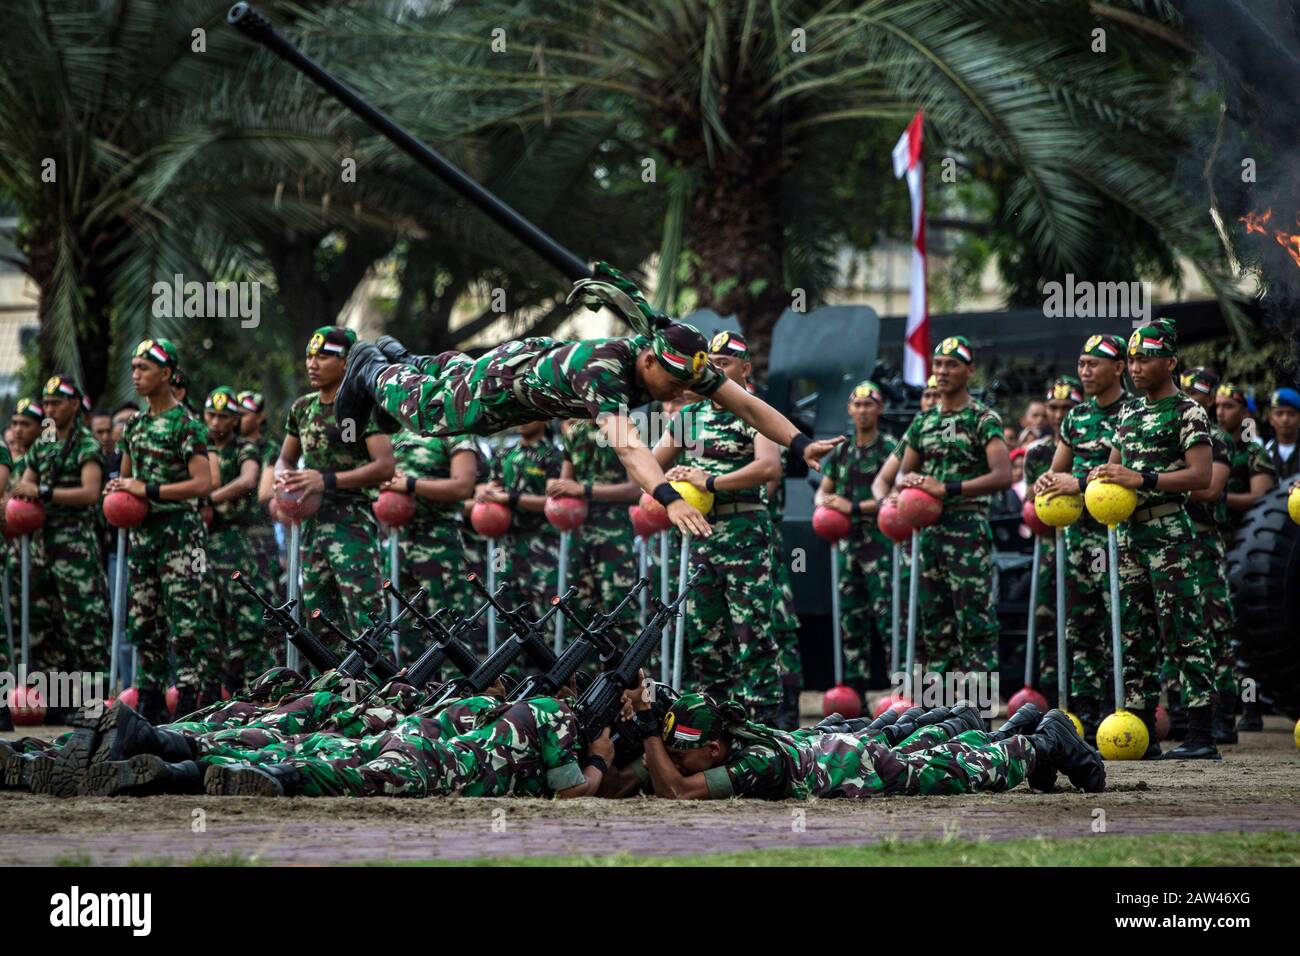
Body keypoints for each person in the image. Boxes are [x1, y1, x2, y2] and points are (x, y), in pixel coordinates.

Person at [331, 263, 842, 540]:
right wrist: (668, 499)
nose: (684, 392)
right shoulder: (607, 372)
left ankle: (402, 357)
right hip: (510, 384)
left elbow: (750, 407)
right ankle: (372, 367)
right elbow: (629, 450)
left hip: (536, 384)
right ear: (647, 364)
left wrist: (801, 443)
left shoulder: (684, 361)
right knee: (431, 414)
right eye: (673, 384)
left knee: (444, 379)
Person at [1090, 320, 1215, 759]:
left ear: (1171, 362)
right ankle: (1140, 731)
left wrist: (1141, 477)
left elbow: (1200, 477)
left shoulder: (1187, 411)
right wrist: (1100, 477)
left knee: (1183, 629)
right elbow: (1114, 466)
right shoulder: (1129, 413)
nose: (1137, 368)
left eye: (1146, 359)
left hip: (1168, 532)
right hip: (1128, 534)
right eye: (1133, 360)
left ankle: (1202, 733)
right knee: (1132, 632)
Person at [619, 691, 1104, 800]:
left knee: (971, 774)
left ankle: (1048, 738)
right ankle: (1022, 724)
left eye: (680, 752)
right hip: (841, 751)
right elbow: (648, 777)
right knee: (951, 754)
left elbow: (677, 792)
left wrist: (644, 732)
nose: (671, 758)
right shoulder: (719, 746)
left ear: (716, 751)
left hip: (861, 766)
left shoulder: (757, 762)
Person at [653, 331, 783, 721]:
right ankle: (715, 726)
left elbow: (769, 467)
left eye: (724, 363)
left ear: (745, 370)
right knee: (704, 638)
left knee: (752, 634)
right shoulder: (688, 417)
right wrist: (671, 482)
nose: (714, 369)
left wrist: (709, 482)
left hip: (743, 532)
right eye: (710, 362)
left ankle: (762, 727)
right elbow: (650, 465)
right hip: (698, 538)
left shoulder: (755, 411)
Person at [105, 339, 217, 722]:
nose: (135, 374)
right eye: (133, 367)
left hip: (180, 535)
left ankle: (188, 700)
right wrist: (117, 491)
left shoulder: (187, 424)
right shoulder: (134, 425)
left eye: (144, 368)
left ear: (166, 374)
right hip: (144, 536)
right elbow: (126, 478)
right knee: (143, 619)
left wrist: (148, 491)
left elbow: (202, 484)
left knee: (185, 620)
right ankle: (150, 700)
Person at [893, 336, 1012, 676]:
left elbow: (1002, 474)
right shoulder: (924, 422)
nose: (943, 371)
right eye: (939, 364)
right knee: (935, 629)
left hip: (967, 530)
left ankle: (980, 715)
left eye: (952, 365)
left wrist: (946, 488)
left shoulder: (983, 418)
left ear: (969, 371)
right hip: (929, 534)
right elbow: (906, 473)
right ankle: (940, 717)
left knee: (976, 625)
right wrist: (911, 484)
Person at [1034, 334, 1130, 740]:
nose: (1086, 371)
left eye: (1094, 364)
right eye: (1082, 364)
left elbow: (1122, 471)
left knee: (1126, 627)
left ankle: (1132, 710)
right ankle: (1088, 717)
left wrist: (1078, 480)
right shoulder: (1076, 418)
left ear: (1119, 368)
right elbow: (1059, 470)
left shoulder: (1134, 414)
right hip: (1079, 543)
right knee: (1081, 628)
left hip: (1123, 540)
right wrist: (1048, 481)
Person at [276, 327, 395, 635]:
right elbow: (285, 458)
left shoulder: (362, 407)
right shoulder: (302, 408)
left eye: (324, 356)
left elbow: (385, 467)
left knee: (367, 621)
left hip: (351, 524)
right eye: (309, 356)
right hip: (311, 527)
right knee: (320, 625)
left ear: (347, 362)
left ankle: (376, 683)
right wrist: (282, 480)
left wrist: (325, 481)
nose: (312, 364)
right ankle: (329, 684)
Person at [9, 376, 111, 711]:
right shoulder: (44, 443)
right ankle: (54, 698)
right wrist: (29, 490)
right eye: (47, 403)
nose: (50, 408)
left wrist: (44, 493)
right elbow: (25, 483)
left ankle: (93, 700)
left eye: (56, 403)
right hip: (42, 546)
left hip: (76, 548)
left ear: (74, 405)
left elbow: (90, 492)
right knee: (43, 622)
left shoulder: (86, 444)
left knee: (84, 624)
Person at [815, 380, 896, 705]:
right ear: (850, 409)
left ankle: (899, 693)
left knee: (890, 619)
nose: (863, 410)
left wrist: (854, 508)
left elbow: (895, 494)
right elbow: (824, 488)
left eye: (869, 403)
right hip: (848, 548)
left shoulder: (890, 448)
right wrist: (825, 502)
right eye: (857, 404)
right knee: (852, 621)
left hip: (882, 546)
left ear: (880, 409)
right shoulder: (842, 451)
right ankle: (855, 697)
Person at [1179, 367, 1239, 744]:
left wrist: (1160, 485)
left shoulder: (1216, 439)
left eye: (1199, 394)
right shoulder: (1173, 434)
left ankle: (1225, 715)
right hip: (1175, 541)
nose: (1191, 400)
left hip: (1204, 541)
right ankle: (1188, 711)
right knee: (1181, 629)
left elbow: (1210, 488)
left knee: (1215, 628)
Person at [379, 428, 478, 658]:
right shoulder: (397, 434)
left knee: (448, 631)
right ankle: (409, 692)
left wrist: (412, 485)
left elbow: (463, 487)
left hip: (438, 542)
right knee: (401, 631)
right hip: (398, 543)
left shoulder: (455, 433)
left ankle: (457, 691)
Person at [1214, 382, 1276, 733]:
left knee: (1245, 630)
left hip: (1248, 554)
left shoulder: (1254, 452)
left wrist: (1213, 496)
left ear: (1245, 412)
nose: (1222, 411)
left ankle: (1251, 710)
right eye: (1219, 405)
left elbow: (1261, 497)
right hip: (1217, 549)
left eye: (1230, 406)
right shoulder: (1209, 445)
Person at [203, 386, 270, 688]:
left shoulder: (246, 448)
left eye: (224, 417)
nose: (216, 423)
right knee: (211, 619)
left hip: (237, 542)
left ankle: (256, 688)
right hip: (206, 543)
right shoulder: (200, 447)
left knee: (247, 619)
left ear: (235, 420)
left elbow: (248, 479)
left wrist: (209, 499)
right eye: (211, 416)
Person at [1020, 376, 1082, 702]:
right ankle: (1050, 697)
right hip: (1048, 547)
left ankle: (1089, 698)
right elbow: (1030, 499)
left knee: (1086, 622)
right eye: (1053, 407)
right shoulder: (1038, 453)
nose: (1059, 414)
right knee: (1046, 620)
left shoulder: (1092, 444)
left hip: (1087, 544)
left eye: (1066, 407)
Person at [550, 418, 640, 625]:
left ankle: (627, 658)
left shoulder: (623, 427)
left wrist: (584, 490)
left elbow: (635, 490)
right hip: (578, 532)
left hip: (613, 534)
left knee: (620, 612)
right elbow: (565, 484)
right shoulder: (574, 432)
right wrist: (556, 489)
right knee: (578, 614)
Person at [475, 422, 564, 627]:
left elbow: (553, 503)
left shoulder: (552, 456)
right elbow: (493, 488)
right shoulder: (504, 454)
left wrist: (511, 499)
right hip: (502, 547)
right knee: (503, 610)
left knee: (545, 613)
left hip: (541, 544)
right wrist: (484, 493)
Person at [1263, 387, 1299, 481]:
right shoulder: (1264, 452)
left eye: (1291, 414)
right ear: (1271, 419)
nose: (1285, 419)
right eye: (1279, 414)